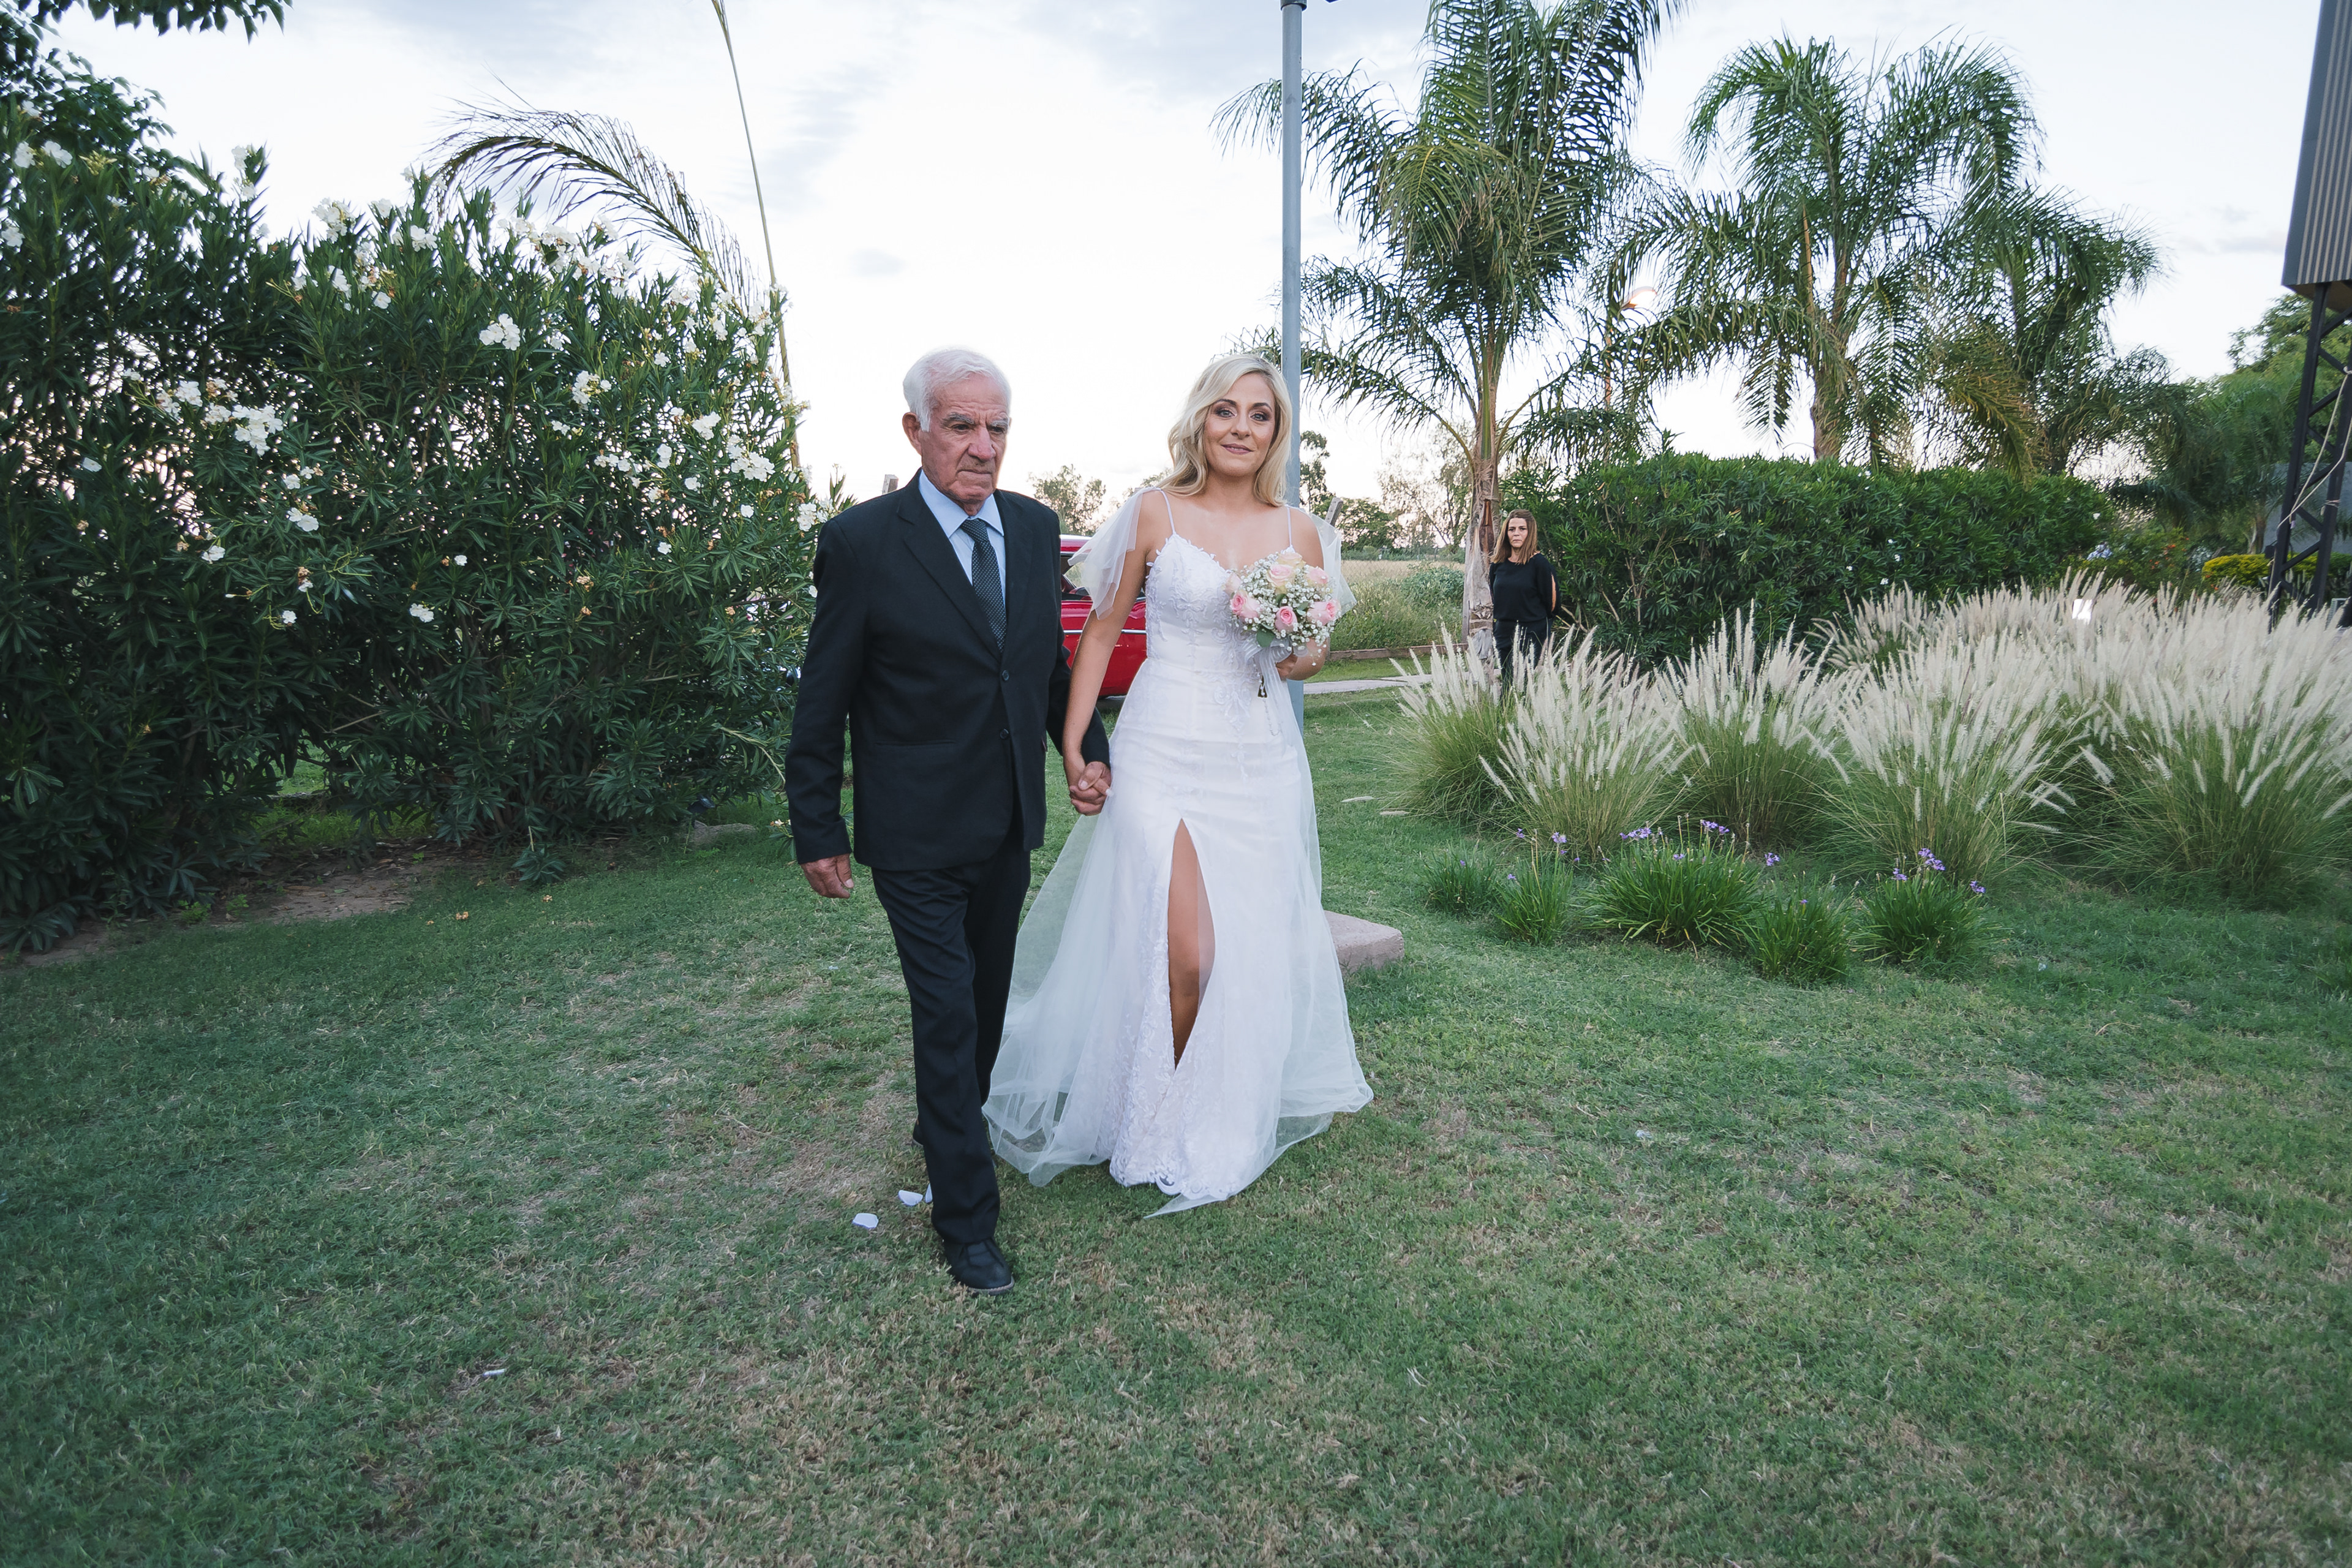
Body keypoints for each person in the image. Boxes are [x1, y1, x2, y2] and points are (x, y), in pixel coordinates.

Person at [982, 354, 1373, 1213]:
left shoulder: (1300, 532)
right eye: (1226, 410)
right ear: (1201, 419)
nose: (1241, 428)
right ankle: (1149, 1115)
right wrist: (1076, 744)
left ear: (1276, 433)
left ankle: (1210, 1113)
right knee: (1183, 948)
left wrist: (1303, 653)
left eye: (1260, 415)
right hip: (1160, 750)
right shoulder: (1153, 511)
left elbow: (1312, 650)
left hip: (1255, 757)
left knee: (1239, 946)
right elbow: (1099, 632)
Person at [785, 347, 1111, 1296]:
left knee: (987, 1007)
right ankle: (967, 1223)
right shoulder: (860, 543)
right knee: (948, 1014)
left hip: (1006, 821)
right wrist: (817, 825)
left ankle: (947, 1122)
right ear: (916, 432)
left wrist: (1086, 750)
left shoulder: (1033, 528)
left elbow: (1045, 670)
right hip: (915, 831)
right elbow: (824, 698)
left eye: (997, 427)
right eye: (961, 425)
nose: (983, 446)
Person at [1487, 508, 1561, 688]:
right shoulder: (1498, 564)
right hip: (1504, 631)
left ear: (1530, 532)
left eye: (1522, 529)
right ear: (1506, 533)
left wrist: (1538, 626)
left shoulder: (1540, 564)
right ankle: (1505, 707)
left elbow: (1553, 604)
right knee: (1507, 684)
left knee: (1525, 686)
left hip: (1532, 631)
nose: (1516, 534)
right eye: (1512, 529)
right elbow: (1496, 594)